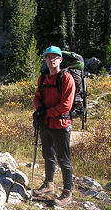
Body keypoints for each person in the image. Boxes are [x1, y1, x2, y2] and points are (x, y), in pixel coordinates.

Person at [33, 46, 76, 207]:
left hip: (61, 125)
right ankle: (49, 184)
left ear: (60, 59)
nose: (51, 60)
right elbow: (37, 97)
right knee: (48, 155)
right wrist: (39, 109)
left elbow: (66, 105)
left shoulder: (66, 78)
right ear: (45, 59)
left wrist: (47, 113)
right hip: (46, 124)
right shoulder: (43, 77)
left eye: (55, 57)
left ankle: (67, 192)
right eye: (48, 57)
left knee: (63, 159)